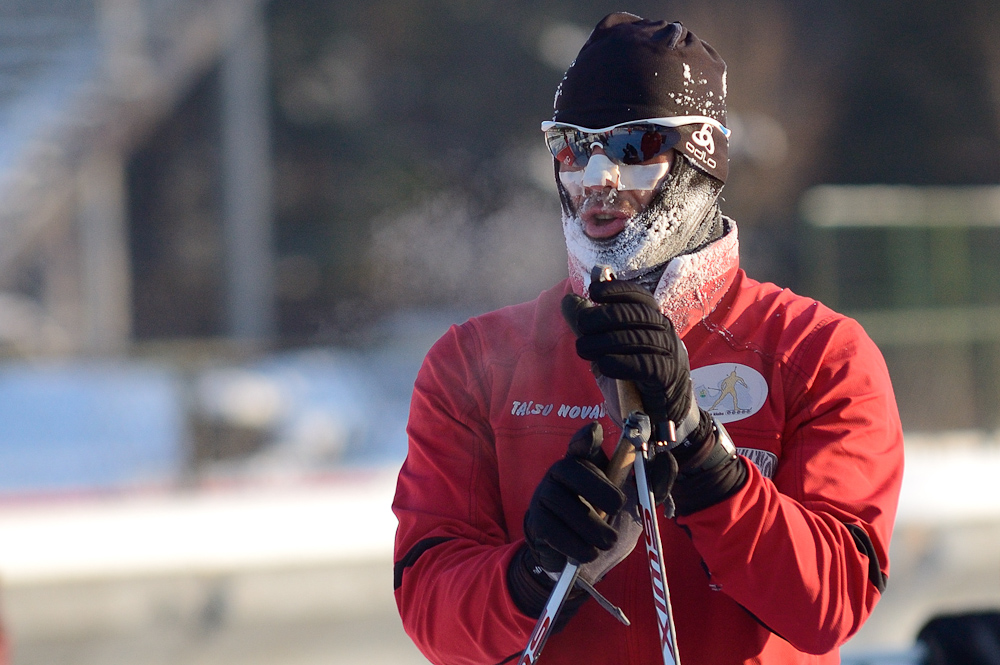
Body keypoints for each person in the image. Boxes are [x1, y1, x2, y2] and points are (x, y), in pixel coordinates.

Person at [393, 12, 904, 665]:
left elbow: (831, 603)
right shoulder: (474, 362)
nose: (597, 180)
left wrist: (701, 455)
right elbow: (432, 614)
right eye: (573, 148)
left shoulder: (816, 353)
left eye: (632, 148)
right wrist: (536, 573)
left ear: (701, 158)